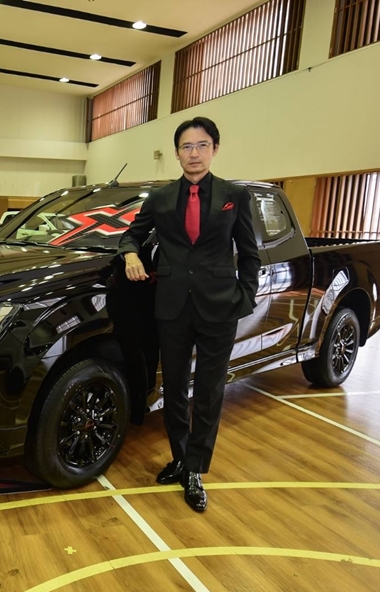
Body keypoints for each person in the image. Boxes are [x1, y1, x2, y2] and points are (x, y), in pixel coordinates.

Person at [115, 116, 260, 512]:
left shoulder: (234, 195)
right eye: (186, 147)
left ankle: (196, 468)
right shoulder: (160, 198)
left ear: (214, 149)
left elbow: (250, 253)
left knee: (210, 391)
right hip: (172, 306)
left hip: (220, 306)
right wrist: (130, 255)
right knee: (175, 388)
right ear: (177, 153)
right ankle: (179, 457)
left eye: (201, 145)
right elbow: (131, 235)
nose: (194, 154)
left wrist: (244, 297)